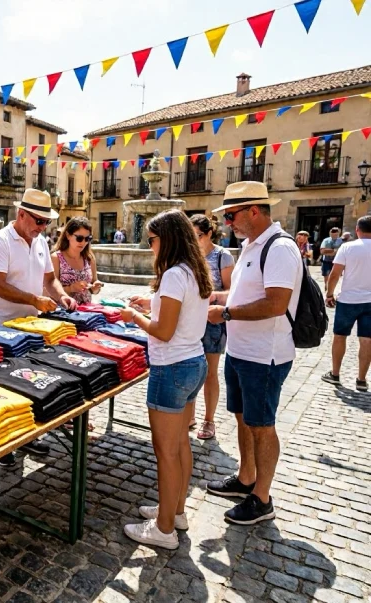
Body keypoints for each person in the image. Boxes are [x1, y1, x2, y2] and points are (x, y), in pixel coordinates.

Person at [206, 181, 302, 525]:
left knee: (262, 426)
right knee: (243, 418)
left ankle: (262, 499)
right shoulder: (250, 245)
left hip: (265, 355)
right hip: (241, 350)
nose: (227, 222)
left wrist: (226, 313)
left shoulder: (279, 248)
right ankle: (246, 478)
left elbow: (276, 303)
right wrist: (215, 299)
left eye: (231, 215)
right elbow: (242, 294)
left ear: (254, 211)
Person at [119, 210, 211, 549]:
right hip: (193, 362)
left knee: (166, 452)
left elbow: (163, 330)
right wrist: (152, 303)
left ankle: (163, 528)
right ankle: (175, 511)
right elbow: (178, 313)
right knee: (181, 445)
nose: (150, 246)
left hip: (171, 367)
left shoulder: (173, 274)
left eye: (152, 240)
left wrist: (135, 316)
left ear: (167, 239)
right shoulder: (193, 270)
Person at [0, 188, 77, 466]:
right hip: (2, 328)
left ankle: (26, 436)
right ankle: (3, 445)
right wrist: (34, 299)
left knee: (28, 383)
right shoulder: (0, 240)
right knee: (3, 387)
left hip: (31, 328)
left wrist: (61, 296)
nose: (42, 227)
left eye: (46, 222)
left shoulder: (40, 243)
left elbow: (50, 280)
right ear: (21, 214)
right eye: (39, 221)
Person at [188, 214, 234, 440]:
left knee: (209, 372)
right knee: (190, 368)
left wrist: (212, 296)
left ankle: (209, 419)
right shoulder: (189, 255)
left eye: (197, 235)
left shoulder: (222, 256)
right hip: (190, 319)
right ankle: (189, 416)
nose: (193, 240)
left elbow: (232, 292)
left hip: (212, 320)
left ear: (208, 234)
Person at [322, 216, 371, 392]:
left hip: (348, 300)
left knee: (340, 336)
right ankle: (361, 380)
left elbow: (335, 274)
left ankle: (335, 374)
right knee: (367, 340)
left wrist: (329, 294)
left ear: (357, 230)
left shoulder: (348, 247)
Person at [51, 217, 102, 305]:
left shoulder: (89, 258)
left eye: (87, 239)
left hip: (85, 310)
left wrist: (96, 287)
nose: (83, 242)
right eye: (79, 238)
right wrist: (71, 288)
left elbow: (94, 287)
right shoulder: (56, 258)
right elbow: (49, 290)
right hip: (63, 310)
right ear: (68, 235)